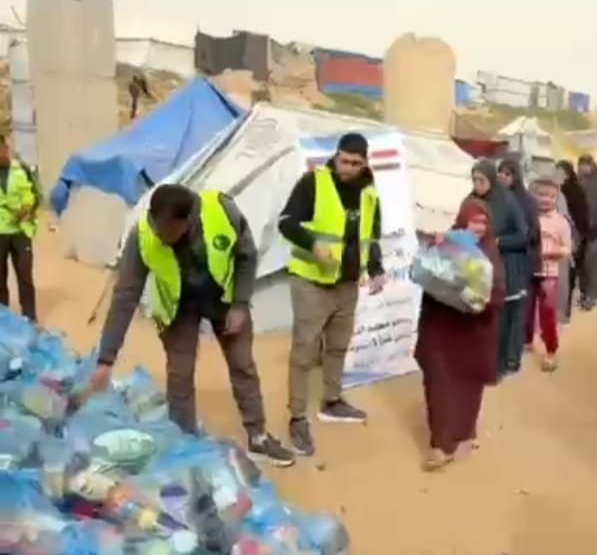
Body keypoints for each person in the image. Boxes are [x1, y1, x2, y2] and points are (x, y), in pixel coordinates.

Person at [86, 183, 293, 466]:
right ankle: (183, 443)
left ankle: (258, 437)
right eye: (157, 227)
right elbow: (125, 295)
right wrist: (106, 359)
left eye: (168, 231)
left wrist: (240, 304)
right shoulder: (142, 235)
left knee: (242, 365)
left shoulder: (223, 212)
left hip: (224, 299)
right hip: (178, 308)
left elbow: (246, 255)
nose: (161, 236)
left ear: (187, 221)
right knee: (180, 374)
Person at [279, 133, 385, 457]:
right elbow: (286, 223)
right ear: (336, 156)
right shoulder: (313, 183)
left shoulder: (369, 192)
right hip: (311, 282)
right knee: (304, 350)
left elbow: (372, 236)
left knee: (338, 346)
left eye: (355, 163)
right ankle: (297, 417)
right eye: (344, 160)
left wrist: (376, 268)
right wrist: (313, 244)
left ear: (365, 163)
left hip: (347, 284)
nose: (348, 168)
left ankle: (332, 400)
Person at [415, 198, 505, 471]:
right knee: (438, 384)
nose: (477, 228)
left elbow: (497, 293)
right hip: (441, 332)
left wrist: (475, 297)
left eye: (483, 222)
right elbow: (427, 276)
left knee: (468, 387)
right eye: (472, 221)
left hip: (472, 334)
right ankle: (441, 445)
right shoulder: (446, 244)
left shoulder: (490, 253)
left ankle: (465, 433)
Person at [469, 160, 528, 375]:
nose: (477, 185)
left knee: (502, 320)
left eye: (481, 180)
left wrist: (498, 242)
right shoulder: (471, 201)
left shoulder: (507, 201)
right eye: (474, 180)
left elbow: (523, 236)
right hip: (480, 269)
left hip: (506, 268)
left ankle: (501, 362)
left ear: (491, 180)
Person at [527, 179, 572, 370]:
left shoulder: (561, 222)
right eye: (542, 195)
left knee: (547, 313)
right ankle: (526, 342)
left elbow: (567, 249)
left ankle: (551, 351)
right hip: (528, 271)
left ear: (556, 198)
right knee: (525, 310)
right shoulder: (528, 218)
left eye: (551, 196)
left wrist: (551, 253)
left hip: (549, 273)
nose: (546, 199)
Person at [497, 155, 541, 348]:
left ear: (516, 176)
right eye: (500, 173)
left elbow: (533, 232)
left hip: (522, 257)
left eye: (507, 174)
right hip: (501, 256)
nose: (503, 177)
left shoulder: (527, 201)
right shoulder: (495, 198)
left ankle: (521, 341)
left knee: (521, 303)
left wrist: (511, 240)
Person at [0, 137, 40, 322]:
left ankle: (30, 320)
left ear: (6, 147)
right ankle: (3, 321)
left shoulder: (21, 169)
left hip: (21, 232)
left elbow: (37, 195)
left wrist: (28, 210)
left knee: (25, 278)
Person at [576, 156, 597, 309]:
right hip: (581, 228)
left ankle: (593, 295)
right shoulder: (577, 182)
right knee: (582, 264)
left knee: (593, 263)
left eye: (586, 165)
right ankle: (585, 293)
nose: (583, 168)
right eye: (581, 165)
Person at [557, 160, 589, 319]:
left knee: (569, 274)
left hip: (573, 236)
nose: (557, 175)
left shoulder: (574, 191)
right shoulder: (555, 191)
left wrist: (577, 235)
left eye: (560, 172)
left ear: (567, 174)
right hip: (560, 236)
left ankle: (566, 310)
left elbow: (582, 215)